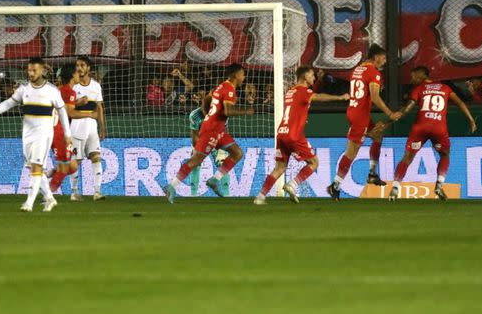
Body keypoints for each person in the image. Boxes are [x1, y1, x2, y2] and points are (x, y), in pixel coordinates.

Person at [0, 58, 70, 212]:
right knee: (34, 168)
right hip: (27, 134)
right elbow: (9, 103)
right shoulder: (24, 89)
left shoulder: (51, 90)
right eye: (29, 70)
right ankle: (50, 198)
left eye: (34, 70)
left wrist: (67, 134)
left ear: (42, 71)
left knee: (36, 166)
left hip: (44, 134)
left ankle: (29, 203)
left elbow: (62, 111)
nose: (31, 73)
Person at [254, 66, 349, 205]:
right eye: (311, 75)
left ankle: (260, 197)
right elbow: (318, 97)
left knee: (279, 167)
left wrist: (302, 117)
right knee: (314, 162)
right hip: (294, 135)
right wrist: (340, 97)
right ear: (305, 77)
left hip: (281, 133)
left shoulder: (290, 91)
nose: (314, 77)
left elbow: (295, 109)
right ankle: (293, 184)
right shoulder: (304, 91)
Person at [164, 64, 255, 203]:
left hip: (219, 130)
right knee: (196, 160)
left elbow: (206, 100)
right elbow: (227, 111)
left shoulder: (220, 86)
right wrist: (246, 111)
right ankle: (172, 186)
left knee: (237, 153)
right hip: (212, 130)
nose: (244, 77)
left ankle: (214, 179)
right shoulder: (229, 88)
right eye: (243, 74)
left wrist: (207, 115)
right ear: (236, 75)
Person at [388, 66, 476, 201]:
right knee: (445, 154)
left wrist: (395, 116)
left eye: (413, 76)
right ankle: (439, 185)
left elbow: (408, 108)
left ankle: (395, 188)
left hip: (420, 128)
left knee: (407, 157)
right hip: (439, 128)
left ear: (420, 76)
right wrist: (471, 120)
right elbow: (460, 102)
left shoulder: (418, 89)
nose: (411, 80)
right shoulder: (445, 88)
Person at [327, 44, 401, 201]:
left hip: (357, 112)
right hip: (360, 116)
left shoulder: (358, 69)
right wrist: (390, 113)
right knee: (351, 152)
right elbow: (374, 97)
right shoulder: (374, 72)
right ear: (376, 57)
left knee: (378, 135)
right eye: (383, 57)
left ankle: (373, 173)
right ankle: (335, 185)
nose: (385, 61)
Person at [49, 63, 95, 193]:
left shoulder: (59, 90)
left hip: (50, 130)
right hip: (59, 132)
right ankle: (47, 194)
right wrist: (91, 114)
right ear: (71, 75)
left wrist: (77, 102)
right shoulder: (70, 91)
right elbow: (70, 113)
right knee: (65, 168)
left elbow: (62, 106)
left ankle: (50, 174)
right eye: (76, 72)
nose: (78, 74)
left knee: (73, 166)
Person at [70, 55, 107, 201]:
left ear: (88, 68)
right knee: (76, 161)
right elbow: (67, 108)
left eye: (82, 65)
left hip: (92, 127)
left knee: (96, 157)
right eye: (78, 65)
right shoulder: (73, 86)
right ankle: (74, 192)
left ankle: (97, 192)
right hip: (77, 127)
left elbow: (100, 108)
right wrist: (78, 103)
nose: (79, 68)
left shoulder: (96, 86)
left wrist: (102, 127)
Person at [187, 93, 213, 196]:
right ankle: (193, 195)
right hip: (201, 141)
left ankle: (226, 196)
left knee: (222, 161)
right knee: (194, 163)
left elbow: (224, 133)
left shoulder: (221, 115)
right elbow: (194, 140)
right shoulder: (194, 115)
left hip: (215, 140)